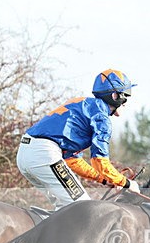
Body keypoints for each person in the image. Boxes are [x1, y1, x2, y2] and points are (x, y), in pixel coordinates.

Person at [16, 69, 141, 210]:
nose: (126, 103)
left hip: (25, 154)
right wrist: (127, 183)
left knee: (63, 209)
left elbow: (73, 161)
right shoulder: (102, 118)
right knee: (83, 209)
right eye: (126, 97)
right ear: (115, 96)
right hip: (44, 154)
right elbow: (100, 163)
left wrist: (106, 180)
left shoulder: (83, 104)